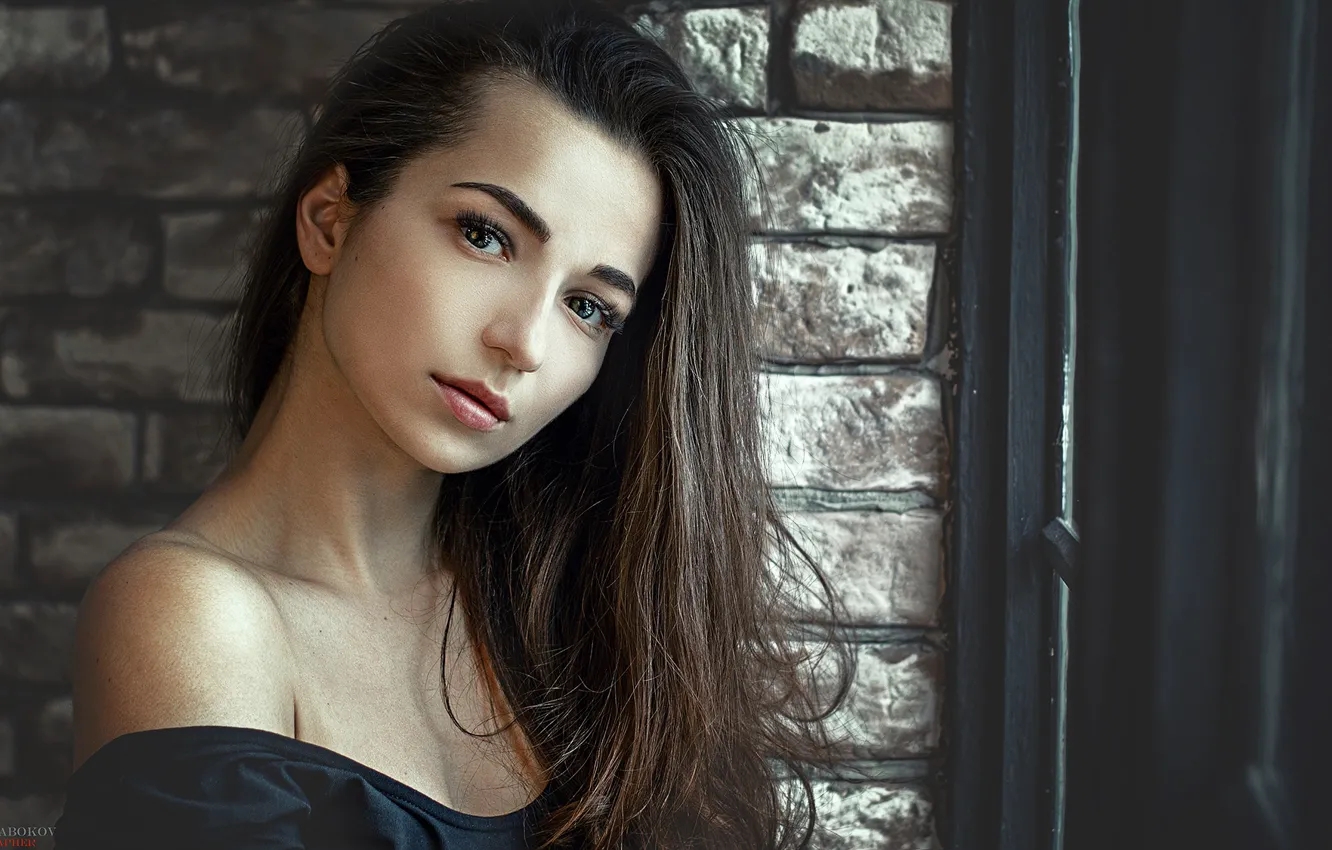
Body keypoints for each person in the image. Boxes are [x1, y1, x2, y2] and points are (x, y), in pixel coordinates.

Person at [53, 1, 852, 847]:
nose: (526, 341)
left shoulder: (572, 612)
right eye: (486, 235)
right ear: (331, 219)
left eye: (588, 306)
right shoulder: (192, 615)